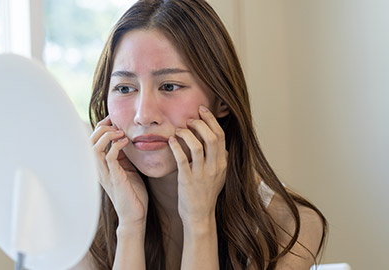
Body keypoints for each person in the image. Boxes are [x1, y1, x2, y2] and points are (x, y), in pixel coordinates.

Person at [79, 0, 327, 269]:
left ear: (221, 100)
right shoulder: (83, 225)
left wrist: (199, 222)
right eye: (125, 88)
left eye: (170, 86)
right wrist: (130, 226)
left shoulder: (289, 227)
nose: (143, 115)